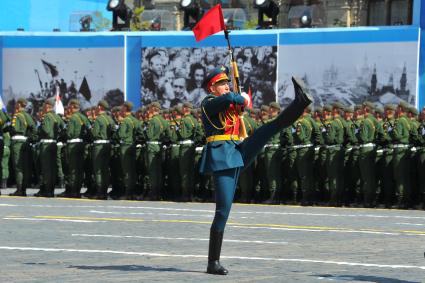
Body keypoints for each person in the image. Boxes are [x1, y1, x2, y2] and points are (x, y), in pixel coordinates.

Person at [199, 65, 312, 275]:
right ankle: (212, 262)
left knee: (268, 129)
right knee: (223, 211)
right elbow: (228, 101)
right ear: (211, 88)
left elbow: (237, 106)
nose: (225, 86)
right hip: (222, 157)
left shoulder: (226, 104)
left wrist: (240, 103)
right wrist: (239, 98)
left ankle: (300, 103)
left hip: (237, 150)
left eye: (226, 82)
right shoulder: (208, 103)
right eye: (221, 84)